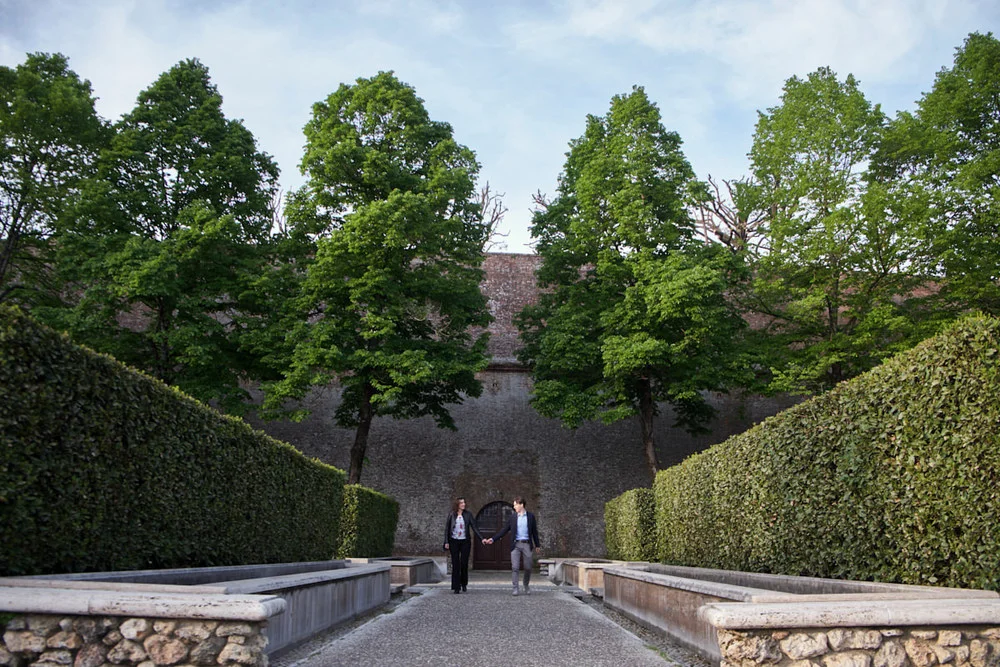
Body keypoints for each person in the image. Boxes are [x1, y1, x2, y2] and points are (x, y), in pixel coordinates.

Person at [486, 496, 541, 595]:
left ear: (521, 505)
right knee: (515, 567)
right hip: (515, 544)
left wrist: (537, 545)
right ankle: (515, 588)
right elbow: (504, 530)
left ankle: (526, 584)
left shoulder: (530, 517)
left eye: (515, 504)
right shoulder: (512, 517)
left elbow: (534, 532)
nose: (514, 506)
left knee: (528, 567)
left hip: (527, 544)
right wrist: (493, 539)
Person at [443, 497, 487, 594]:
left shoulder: (468, 515)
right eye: (461, 503)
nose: (463, 504)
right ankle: (456, 586)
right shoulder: (452, 515)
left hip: (465, 541)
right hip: (454, 541)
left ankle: (464, 583)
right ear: (457, 504)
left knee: (464, 563)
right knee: (455, 563)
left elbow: (474, 527)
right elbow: (447, 529)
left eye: (464, 502)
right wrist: (446, 542)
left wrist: (481, 538)